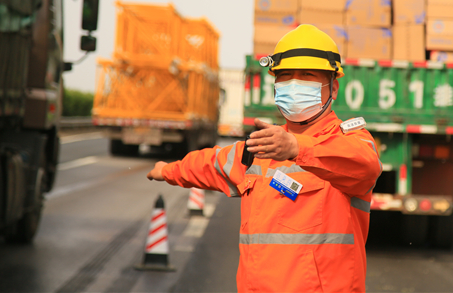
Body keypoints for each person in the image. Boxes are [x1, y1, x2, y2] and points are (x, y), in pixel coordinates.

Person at [147, 24, 382, 293]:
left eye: (306, 75)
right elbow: (210, 164)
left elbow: (365, 165)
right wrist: (167, 170)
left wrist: (297, 148)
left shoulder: (351, 140)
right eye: (284, 76)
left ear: (334, 87)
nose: (294, 84)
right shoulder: (262, 147)